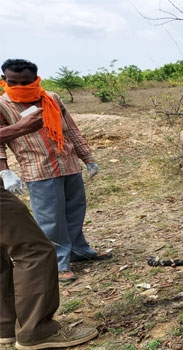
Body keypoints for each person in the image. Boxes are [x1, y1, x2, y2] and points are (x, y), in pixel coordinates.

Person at [0, 59, 111, 284]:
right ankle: (58, 263)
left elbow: (70, 129)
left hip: (68, 163)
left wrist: (87, 158)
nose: (20, 86)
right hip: (38, 168)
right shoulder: (2, 105)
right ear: (4, 80)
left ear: (36, 79)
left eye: (26, 82)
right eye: (13, 82)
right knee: (50, 219)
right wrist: (4, 171)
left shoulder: (51, 98)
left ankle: (79, 250)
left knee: (75, 210)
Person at [0, 109, 98, 349]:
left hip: (64, 168)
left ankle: (6, 326)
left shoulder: (52, 99)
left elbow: (70, 129)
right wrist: (20, 128)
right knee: (34, 250)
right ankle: (37, 330)